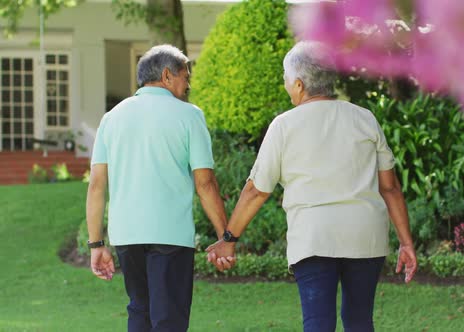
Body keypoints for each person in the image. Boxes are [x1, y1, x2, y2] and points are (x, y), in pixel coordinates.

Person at [206, 41, 417, 332]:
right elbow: (390, 188)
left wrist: (229, 238)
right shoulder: (364, 118)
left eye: (285, 78)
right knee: (359, 322)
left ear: (299, 84)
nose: (285, 84)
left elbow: (257, 190)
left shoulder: (284, 125)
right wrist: (406, 242)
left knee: (318, 324)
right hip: (365, 236)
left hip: (314, 238)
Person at [86, 44, 229, 332]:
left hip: (127, 235)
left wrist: (96, 245)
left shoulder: (111, 118)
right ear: (167, 76)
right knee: (169, 318)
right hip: (170, 235)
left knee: (140, 309)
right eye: (185, 77)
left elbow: (97, 186)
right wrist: (224, 235)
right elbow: (205, 183)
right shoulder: (190, 115)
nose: (188, 85)